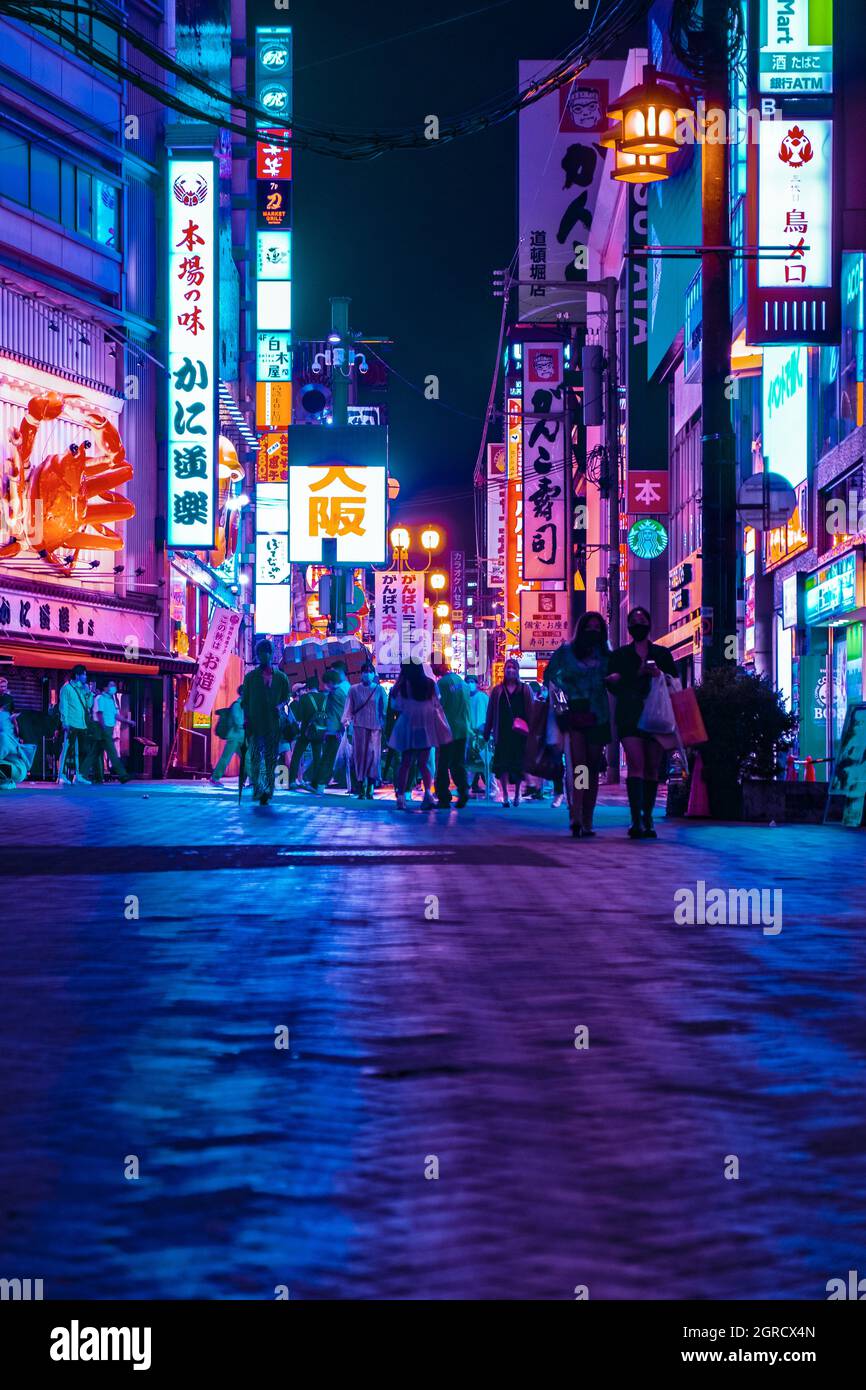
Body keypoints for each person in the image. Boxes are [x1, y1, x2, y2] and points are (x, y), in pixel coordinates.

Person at [606, 605, 676, 839]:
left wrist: (659, 676)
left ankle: (647, 817)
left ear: (649, 624)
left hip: (657, 716)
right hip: (630, 715)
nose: (638, 624)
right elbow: (613, 685)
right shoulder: (620, 656)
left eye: (642, 619)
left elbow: (674, 682)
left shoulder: (662, 654)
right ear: (628, 627)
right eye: (634, 621)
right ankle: (637, 819)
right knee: (636, 764)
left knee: (652, 767)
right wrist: (636, 673)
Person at [545, 611, 611, 838]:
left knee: (592, 768)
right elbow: (551, 679)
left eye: (597, 627)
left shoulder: (606, 655)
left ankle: (587, 818)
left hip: (598, 716)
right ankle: (576, 814)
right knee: (579, 766)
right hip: (574, 715)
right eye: (589, 627)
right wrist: (563, 706)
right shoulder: (566, 653)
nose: (593, 631)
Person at [388, 661, 449, 810]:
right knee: (424, 763)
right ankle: (428, 794)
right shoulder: (430, 684)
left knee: (405, 763)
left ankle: (401, 797)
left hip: (408, 725)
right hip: (426, 726)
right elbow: (437, 701)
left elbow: (395, 706)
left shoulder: (402, 685)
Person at [240, 639, 290, 805]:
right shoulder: (250, 678)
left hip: (273, 725)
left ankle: (268, 790)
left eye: (267, 653)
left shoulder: (281, 678)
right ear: (257, 655)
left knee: (270, 758)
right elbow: (245, 702)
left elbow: (286, 698)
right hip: (254, 724)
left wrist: (280, 706)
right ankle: (258, 788)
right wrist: (246, 720)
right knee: (255, 757)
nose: (264, 656)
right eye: (261, 653)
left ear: (271, 654)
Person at [484, 658, 533, 806]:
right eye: (508, 667)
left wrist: (533, 733)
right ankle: (505, 795)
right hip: (503, 733)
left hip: (520, 735)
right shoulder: (497, 690)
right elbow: (490, 712)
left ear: (518, 671)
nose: (510, 670)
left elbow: (531, 711)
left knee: (518, 766)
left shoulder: (525, 689)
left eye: (513, 668)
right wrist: (487, 730)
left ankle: (517, 794)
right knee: (503, 765)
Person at [342, 666, 386, 799]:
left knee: (373, 757)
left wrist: (385, 725)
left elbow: (385, 708)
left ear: (374, 674)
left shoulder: (379, 689)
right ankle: (361, 787)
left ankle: (371, 787)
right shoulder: (353, 689)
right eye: (365, 672)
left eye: (370, 672)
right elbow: (348, 706)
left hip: (375, 728)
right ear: (361, 674)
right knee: (359, 757)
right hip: (359, 727)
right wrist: (346, 720)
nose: (367, 674)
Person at [310, 666, 351, 792]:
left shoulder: (336, 694)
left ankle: (319, 784)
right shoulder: (339, 693)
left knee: (328, 758)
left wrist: (339, 729)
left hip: (334, 730)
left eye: (327, 683)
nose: (326, 685)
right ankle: (318, 783)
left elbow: (340, 713)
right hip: (335, 730)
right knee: (328, 757)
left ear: (331, 682)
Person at [435, 669, 471, 808]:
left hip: (447, 729)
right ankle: (463, 791)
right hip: (463, 728)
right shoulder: (461, 682)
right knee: (458, 763)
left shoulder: (441, 684)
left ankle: (444, 797)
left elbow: (438, 706)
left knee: (443, 764)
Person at [58, 664, 95, 784]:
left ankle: (78, 775)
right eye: (83, 674)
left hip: (82, 724)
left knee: (81, 751)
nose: (85, 676)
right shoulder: (67, 688)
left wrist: (89, 693)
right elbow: (64, 706)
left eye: (86, 674)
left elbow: (89, 706)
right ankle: (61, 775)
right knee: (67, 749)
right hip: (71, 724)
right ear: (77, 675)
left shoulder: (83, 689)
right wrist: (65, 722)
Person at [91, 679, 132, 784]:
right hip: (102, 728)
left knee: (94, 753)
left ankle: (83, 773)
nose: (114, 687)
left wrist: (127, 721)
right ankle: (122, 775)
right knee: (112, 753)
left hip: (108, 728)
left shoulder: (111, 699)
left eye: (114, 685)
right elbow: (99, 714)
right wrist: (103, 726)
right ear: (105, 687)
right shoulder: (100, 698)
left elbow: (115, 715)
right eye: (111, 685)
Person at [288, 676, 326, 789]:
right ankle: (316, 783)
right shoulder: (324, 697)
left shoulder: (304, 698)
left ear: (308, 687)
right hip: (320, 730)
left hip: (306, 731)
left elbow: (299, 716)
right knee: (317, 757)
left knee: (297, 755)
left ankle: (292, 781)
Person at [211, 686, 245, 784]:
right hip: (235, 737)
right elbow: (238, 721)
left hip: (240, 736)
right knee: (226, 757)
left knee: (247, 759)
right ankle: (215, 777)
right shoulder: (237, 705)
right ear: (242, 692)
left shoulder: (243, 705)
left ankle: (256, 781)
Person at [0, 693, 34, 789]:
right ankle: (4, 783)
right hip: (10, 766)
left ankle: (6, 782)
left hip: (17, 769)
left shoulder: (4, 737)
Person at [465, 674, 491, 796]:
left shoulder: (482, 697)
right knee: (471, 761)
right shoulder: (464, 698)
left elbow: (489, 713)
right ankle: (471, 785)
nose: (470, 684)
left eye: (472, 681)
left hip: (481, 734)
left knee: (484, 761)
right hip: (469, 734)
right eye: (468, 681)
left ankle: (490, 786)